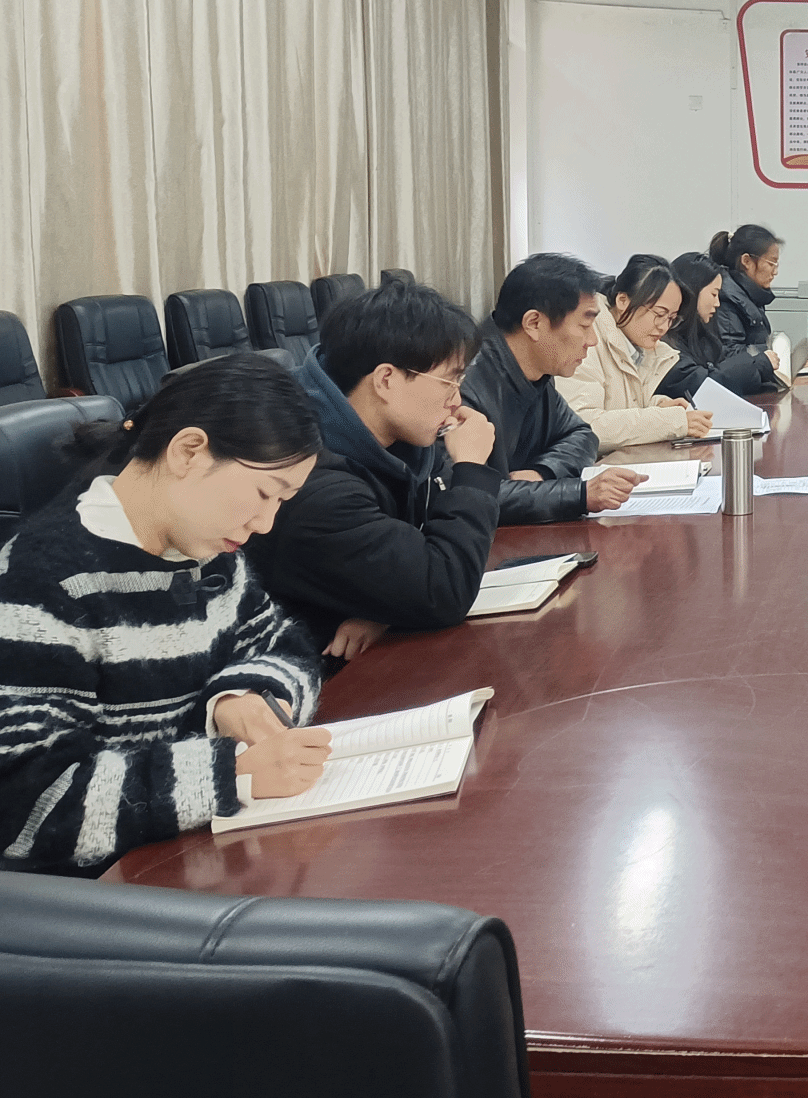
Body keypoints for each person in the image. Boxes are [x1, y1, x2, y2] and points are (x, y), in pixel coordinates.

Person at [0, 354, 330, 874]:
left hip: (195, 854)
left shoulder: (210, 556)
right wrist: (231, 774)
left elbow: (286, 645)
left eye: (282, 502)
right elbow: (30, 806)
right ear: (189, 451)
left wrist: (239, 695)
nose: (266, 523)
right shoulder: (40, 582)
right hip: (99, 890)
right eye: (264, 493)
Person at [244, 281, 501, 665]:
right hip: (306, 675)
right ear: (385, 380)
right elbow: (443, 591)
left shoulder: (397, 436)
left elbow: (437, 538)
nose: (456, 400)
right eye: (449, 381)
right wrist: (472, 468)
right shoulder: (313, 483)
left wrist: (389, 606)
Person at [462, 253, 644, 524]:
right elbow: (470, 495)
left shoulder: (537, 375)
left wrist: (543, 472)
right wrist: (579, 495)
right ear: (534, 323)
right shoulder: (463, 384)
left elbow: (582, 435)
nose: (592, 340)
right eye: (584, 325)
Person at [561, 254, 715, 454]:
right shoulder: (588, 339)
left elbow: (621, 406)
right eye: (659, 314)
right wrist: (669, 421)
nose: (664, 327)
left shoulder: (639, 346)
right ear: (623, 300)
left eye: (671, 318)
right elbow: (586, 425)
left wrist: (658, 406)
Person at [655, 251, 761, 402]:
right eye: (713, 294)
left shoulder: (701, 333)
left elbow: (724, 360)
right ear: (693, 291)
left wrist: (758, 361)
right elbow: (704, 385)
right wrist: (758, 364)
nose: (717, 303)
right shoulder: (664, 342)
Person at [705, 225, 786, 396]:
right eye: (771, 263)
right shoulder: (727, 298)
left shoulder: (748, 294)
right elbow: (730, 355)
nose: (775, 272)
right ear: (747, 261)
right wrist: (768, 359)